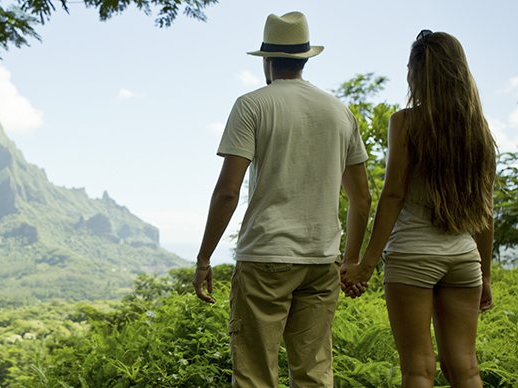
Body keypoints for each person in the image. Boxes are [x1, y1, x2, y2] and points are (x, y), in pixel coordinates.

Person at [192, 11, 371, 388]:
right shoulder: (340, 112)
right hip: (322, 259)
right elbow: (362, 198)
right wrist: (351, 259)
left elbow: (228, 192)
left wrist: (204, 257)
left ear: (267, 61)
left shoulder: (252, 105)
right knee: (314, 372)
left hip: (266, 257)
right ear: (305, 58)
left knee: (255, 375)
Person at [340, 30, 496, 388]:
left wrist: (365, 264)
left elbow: (392, 196)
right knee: (467, 369)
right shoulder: (479, 131)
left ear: (418, 74)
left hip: (412, 255)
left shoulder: (407, 123)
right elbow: (485, 212)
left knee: (418, 368)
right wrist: (485, 275)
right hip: (463, 260)